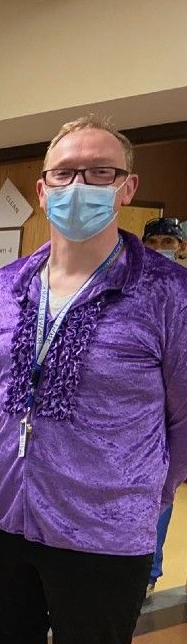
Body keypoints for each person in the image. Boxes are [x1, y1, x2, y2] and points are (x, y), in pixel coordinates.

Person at [0, 116, 187, 644]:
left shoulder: (168, 293)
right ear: (42, 186)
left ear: (127, 189)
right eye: (65, 173)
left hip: (102, 533)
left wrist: (141, 486)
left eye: (99, 172)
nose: (79, 186)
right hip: (2, 521)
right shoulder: (6, 287)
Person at [142, 217, 186, 596]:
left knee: (164, 491)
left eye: (168, 240)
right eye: (153, 240)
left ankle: (149, 571)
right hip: (147, 411)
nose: (160, 247)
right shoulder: (136, 289)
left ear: (181, 247)